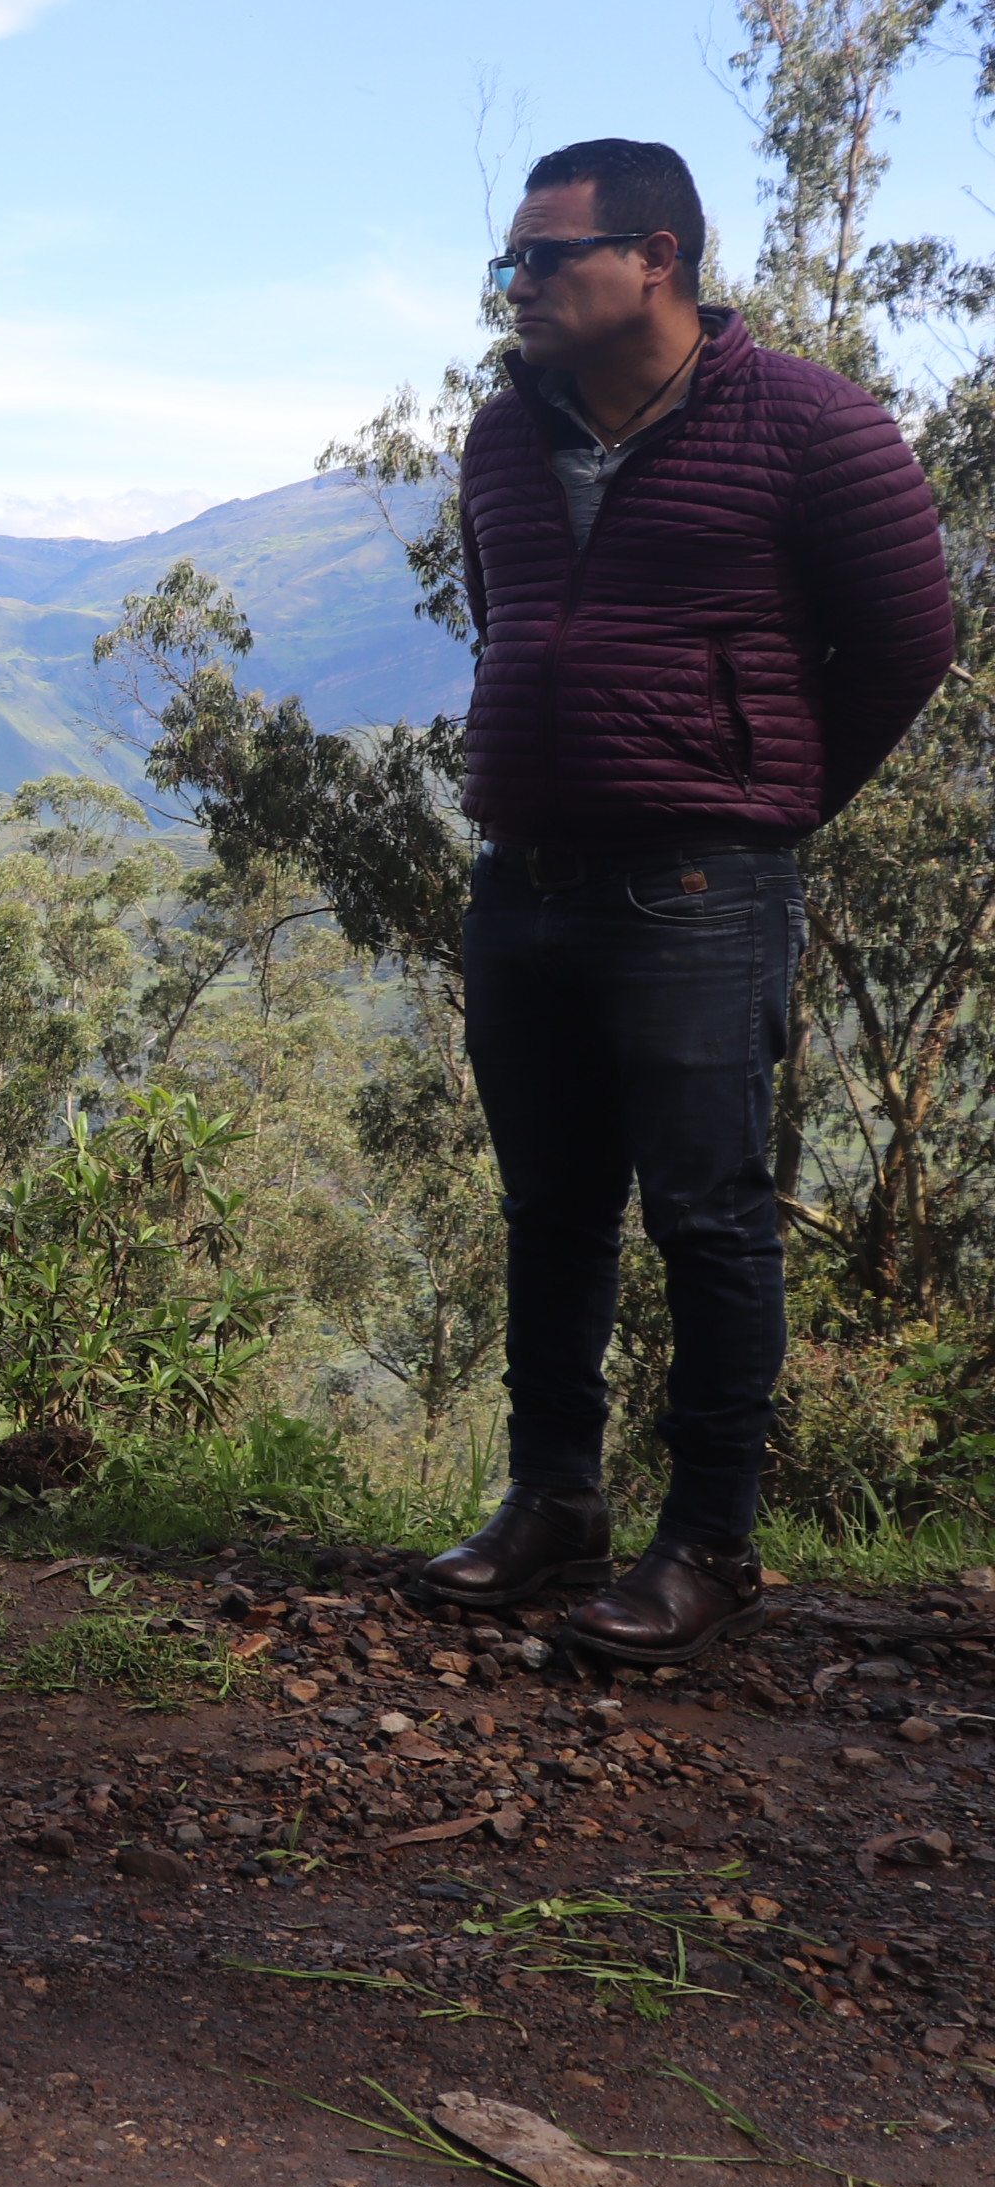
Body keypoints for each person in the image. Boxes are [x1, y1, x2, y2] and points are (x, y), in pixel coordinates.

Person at [414, 138, 954, 1663]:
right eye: (511, 260)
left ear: (653, 258)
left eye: (543, 257)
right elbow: (509, 619)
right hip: (520, 879)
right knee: (552, 1211)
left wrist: (764, 799)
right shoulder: (504, 436)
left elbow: (911, 644)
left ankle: (710, 1541)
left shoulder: (812, 427)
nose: (512, 286)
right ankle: (555, 1506)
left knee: (709, 1221)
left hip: (700, 892)